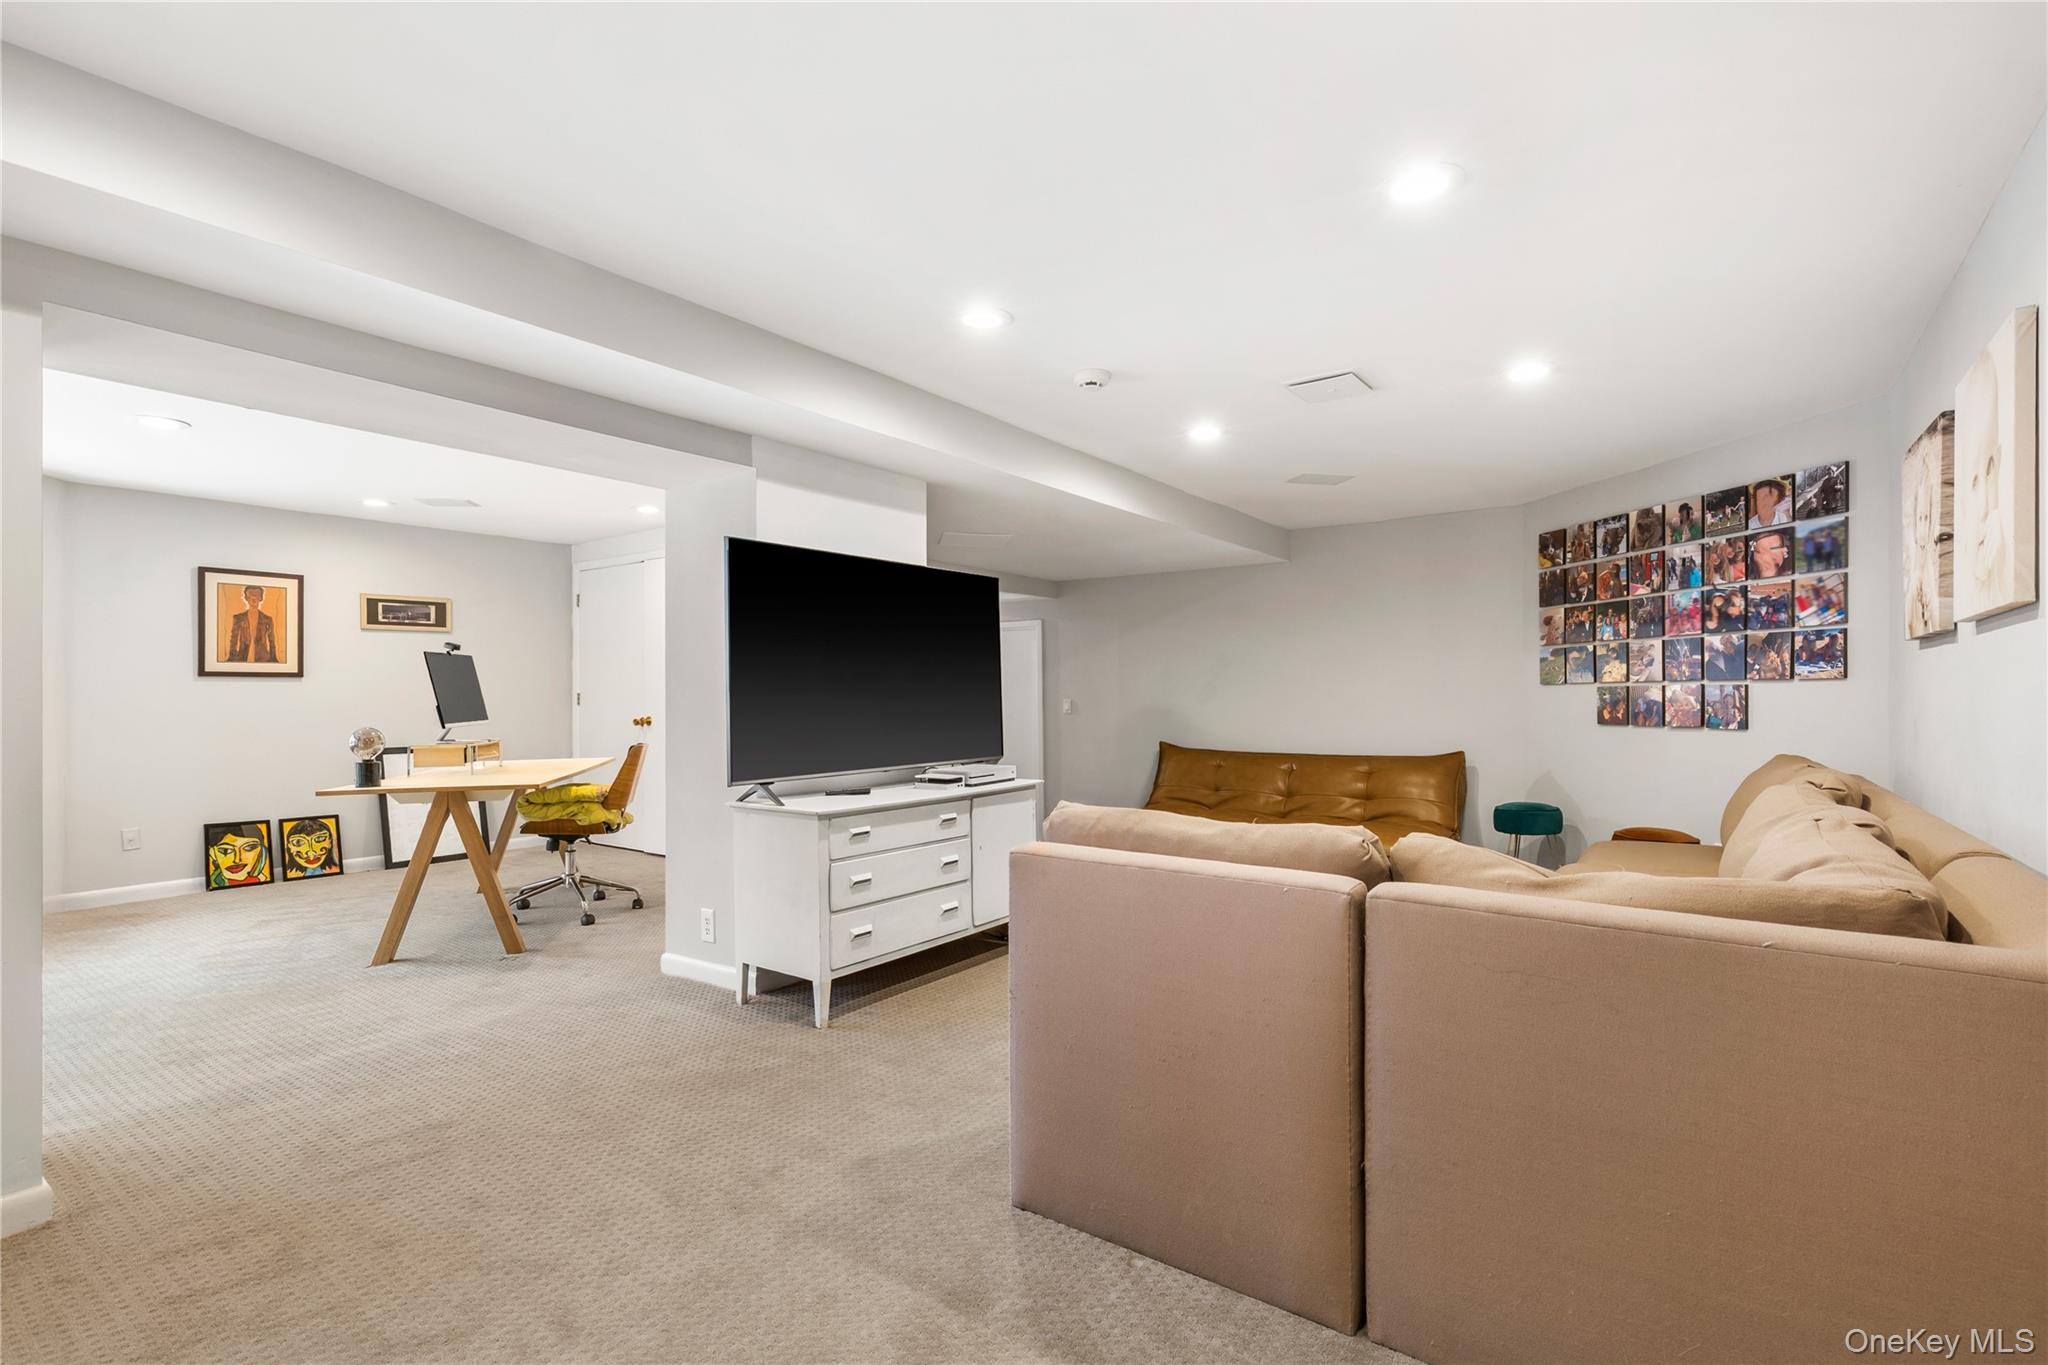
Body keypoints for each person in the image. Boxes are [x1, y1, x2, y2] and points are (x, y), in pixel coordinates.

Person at [227, 583, 279, 664]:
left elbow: (272, 641)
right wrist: (232, 657)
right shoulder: (238, 618)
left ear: (260, 598)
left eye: (257, 596)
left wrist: (273, 658)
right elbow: (233, 640)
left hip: (263, 658)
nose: (254, 599)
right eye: (251, 596)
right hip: (242, 657)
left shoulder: (267, 619)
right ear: (246, 598)